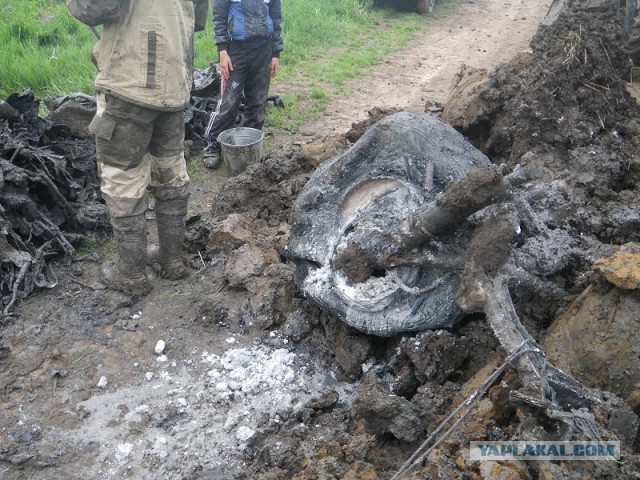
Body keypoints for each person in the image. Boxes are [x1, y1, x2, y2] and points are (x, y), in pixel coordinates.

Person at [67, 0, 209, 296]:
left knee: (122, 179)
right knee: (170, 173)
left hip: (129, 86)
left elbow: (92, 8)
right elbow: (195, 16)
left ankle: (131, 273)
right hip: (174, 84)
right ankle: (171, 260)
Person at [203, 0, 283, 169]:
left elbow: (276, 18)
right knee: (229, 102)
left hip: (264, 49)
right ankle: (213, 145)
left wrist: (276, 52)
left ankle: (246, 145)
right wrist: (222, 51)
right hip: (236, 50)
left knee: (257, 102)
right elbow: (219, 17)